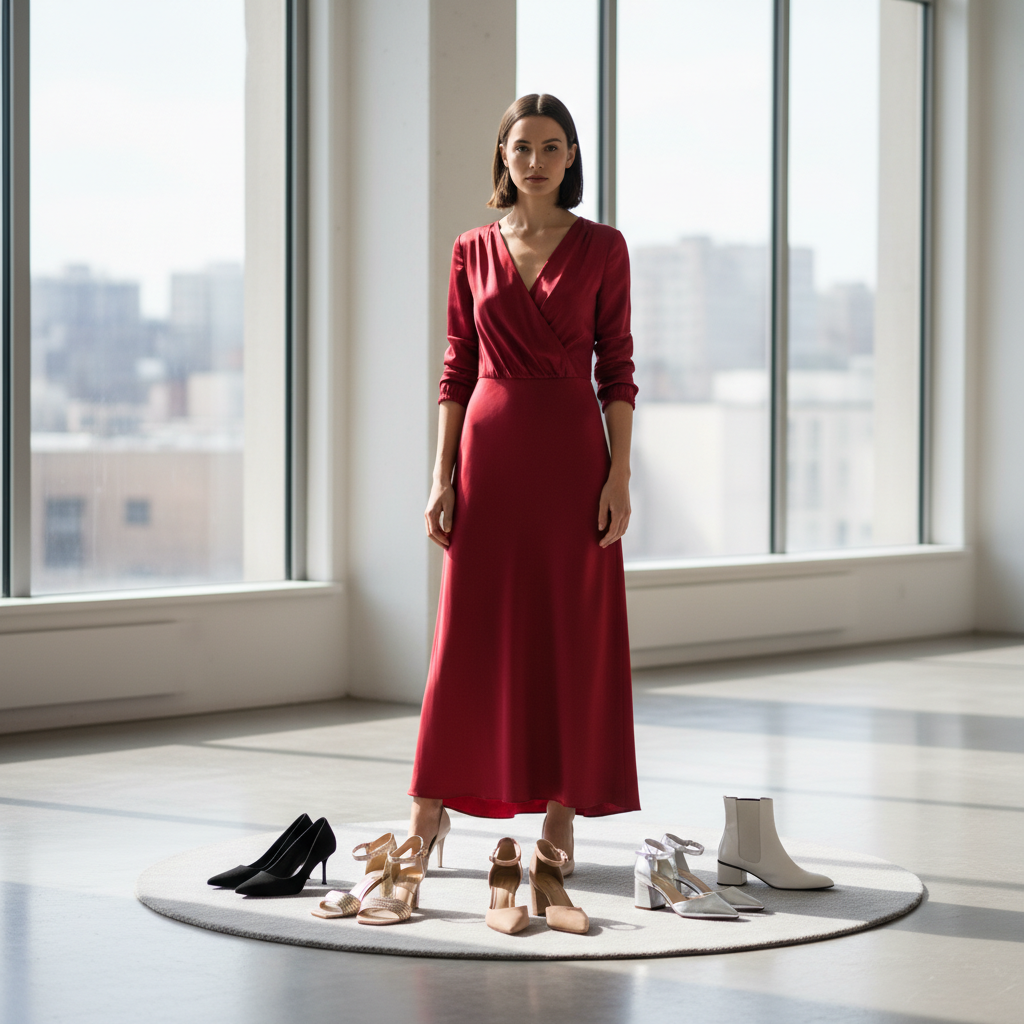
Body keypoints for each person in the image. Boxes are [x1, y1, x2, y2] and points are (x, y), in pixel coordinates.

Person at [408, 93, 640, 870]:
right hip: (489, 456)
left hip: (572, 458)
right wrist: (440, 476)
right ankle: (428, 807)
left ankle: (561, 813)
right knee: (466, 635)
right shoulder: (470, 249)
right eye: (521, 148)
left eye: (551, 147)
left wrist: (619, 473)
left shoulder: (604, 247)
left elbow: (618, 368)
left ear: (571, 157)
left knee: (572, 633)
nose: (535, 161)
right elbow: (456, 368)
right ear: (502, 158)